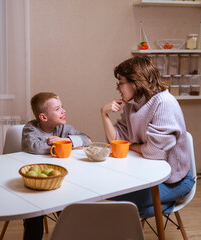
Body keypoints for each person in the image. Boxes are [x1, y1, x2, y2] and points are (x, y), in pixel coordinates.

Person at [100, 55, 195, 218]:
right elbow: (118, 141)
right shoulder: (133, 104)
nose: (117, 89)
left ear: (135, 82)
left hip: (175, 180)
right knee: (109, 193)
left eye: (120, 83)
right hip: (149, 175)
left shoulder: (164, 102)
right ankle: (158, 205)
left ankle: (163, 203)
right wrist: (104, 114)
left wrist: (131, 146)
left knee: (125, 206)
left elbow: (155, 153)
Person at [22, 92, 90, 240]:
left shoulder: (64, 129)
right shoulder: (30, 128)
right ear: (43, 117)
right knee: (34, 214)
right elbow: (34, 147)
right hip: (37, 182)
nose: (63, 111)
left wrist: (64, 141)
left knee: (69, 206)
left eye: (62, 107)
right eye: (58, 109)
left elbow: (87, 140)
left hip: (61, 180)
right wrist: (65, 145)